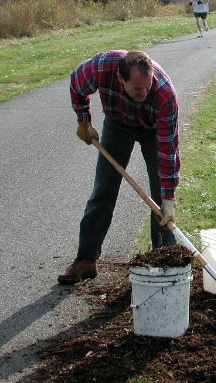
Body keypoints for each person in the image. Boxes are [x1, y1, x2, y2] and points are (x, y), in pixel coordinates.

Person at [58, 51, 181, 284]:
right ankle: (86, 259)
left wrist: (168, 198)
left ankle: (165, 264)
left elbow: (168, 152)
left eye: (147, 87)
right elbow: (77, 83)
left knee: (159, 200)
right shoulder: (101, 68)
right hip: (117, 124)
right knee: (103, 189)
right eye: (137, 89)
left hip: (152, 130)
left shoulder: (164, 94)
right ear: (120, 78)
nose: (144, 94)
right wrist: (83, 120)